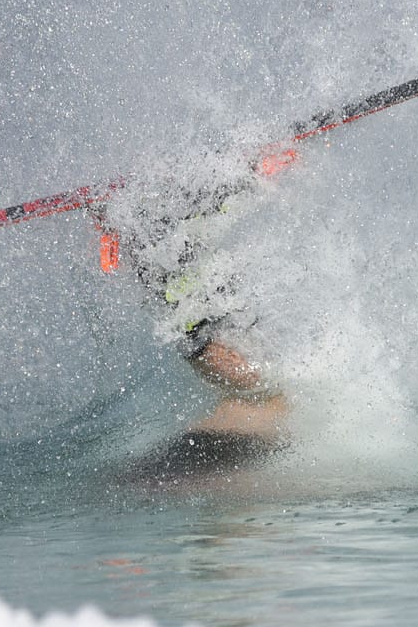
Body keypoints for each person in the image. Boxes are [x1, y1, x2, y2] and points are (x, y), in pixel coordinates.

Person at [102, 158, 293, 480]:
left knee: (212, 349)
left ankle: (145, 230)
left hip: (230, 437)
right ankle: (238, 184)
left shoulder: (247, 385)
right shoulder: (252, 385)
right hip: (240, 426)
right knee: (224, 360)